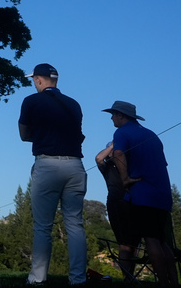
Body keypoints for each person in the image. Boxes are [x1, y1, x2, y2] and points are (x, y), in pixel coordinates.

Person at [18, 63, 87, 285]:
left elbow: (24, 134)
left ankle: (38, 278)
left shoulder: (31, 101)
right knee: (75, 224)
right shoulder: (74, 104)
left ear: (38, 80)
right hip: (75, 165)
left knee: (43, 226)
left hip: (47, 164)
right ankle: (78, 278)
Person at [103, 100, 177, 285]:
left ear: (121, 115)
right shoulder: (152, 135)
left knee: (151, 239)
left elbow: (118, 154)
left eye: (113, 114)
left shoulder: (122, 132)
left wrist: (126, 179)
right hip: (163, 193)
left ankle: (163, 283)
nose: (112, 117)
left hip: (143, 194)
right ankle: (174, 282)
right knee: (162, 241)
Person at [96, 139, 133, 275]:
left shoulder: (127, 164)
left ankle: (131, 276)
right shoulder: (107, 166)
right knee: (124, 243)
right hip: (116, 203)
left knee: (134, 243)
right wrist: (113, 145)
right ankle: (127, 277)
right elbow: (99, 158)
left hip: (133, 203)